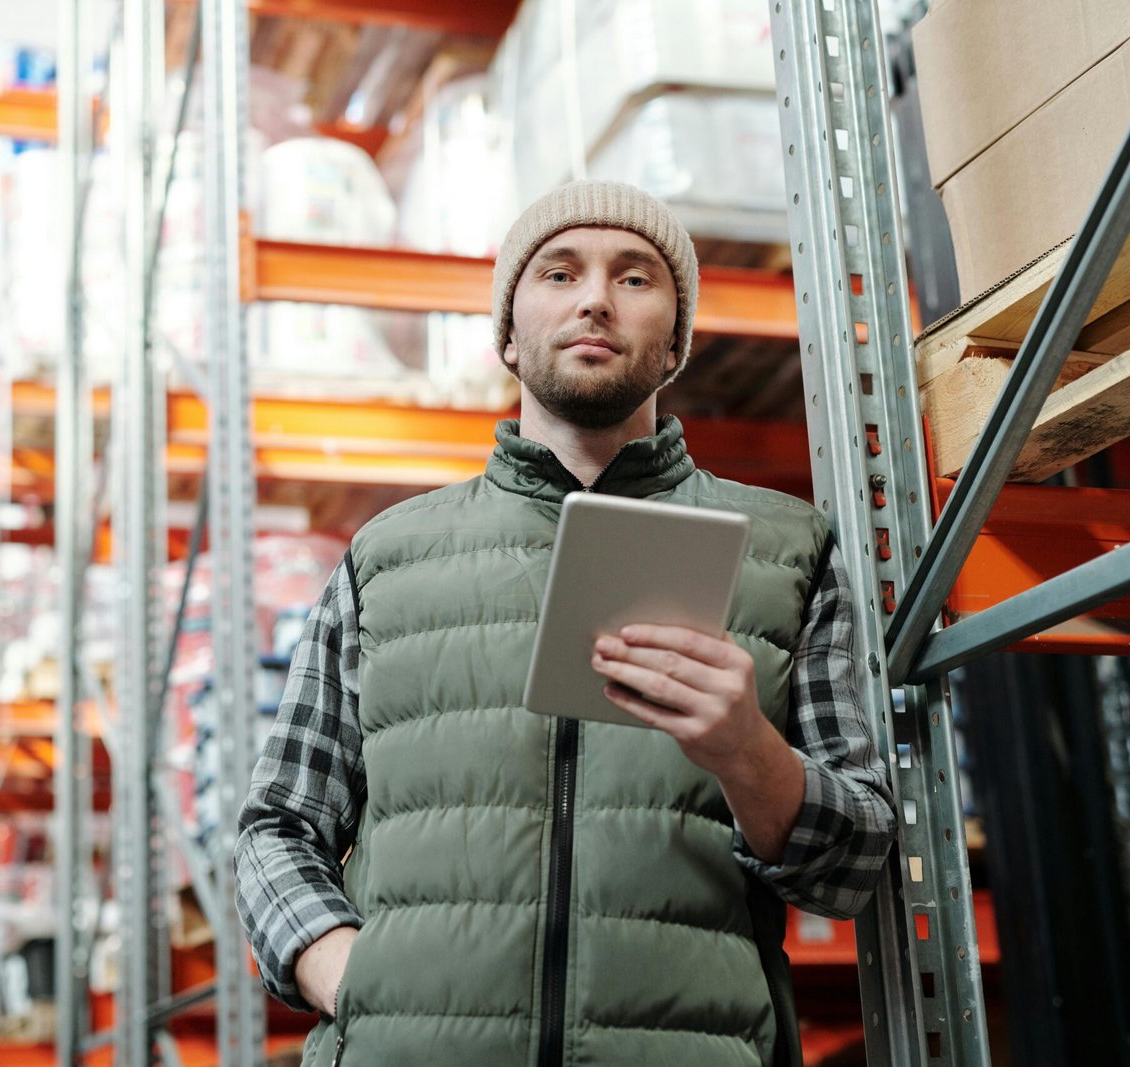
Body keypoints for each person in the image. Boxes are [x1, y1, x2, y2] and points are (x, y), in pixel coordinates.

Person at [234, 180, 896, 1067]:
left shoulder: (788, 552)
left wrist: (749, 751)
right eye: (557, 272)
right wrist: (346, 973)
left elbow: (851, 867)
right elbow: (280, 822)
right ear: (507, 334)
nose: (594, 297)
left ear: (676, 341)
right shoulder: (387, 558)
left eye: (634, 278)